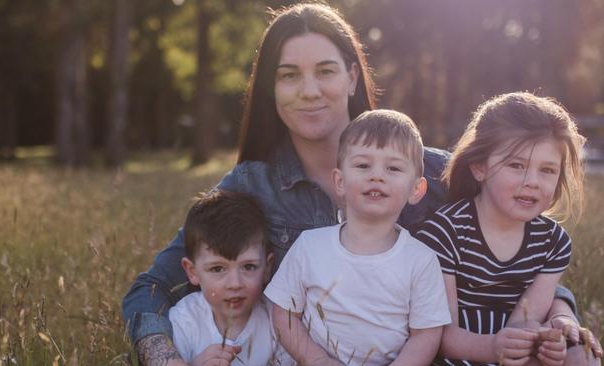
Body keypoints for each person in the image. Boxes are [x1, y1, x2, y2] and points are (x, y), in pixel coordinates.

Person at [121, 4, 598, 365]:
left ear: (352, 76)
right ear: (272, 90)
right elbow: (150, 289)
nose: (309, 90)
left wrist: (560, 313)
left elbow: (520, 244)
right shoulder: (252, 186)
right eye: (289, 76)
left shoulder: (434, 173)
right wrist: (167, 359)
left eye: (325, 71)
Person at [415, 92, 602, 366]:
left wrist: (549, 338)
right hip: (460, 353)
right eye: (516, 165)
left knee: (583, 356)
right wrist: (493, 347)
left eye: (547, 170)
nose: (532, 182)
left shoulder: (553, 242)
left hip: (513, 354)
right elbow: (439, 336)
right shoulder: (446, 232)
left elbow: (525, 323)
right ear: (480, 167)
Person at [265, 110, 451, 365]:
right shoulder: (310, 246)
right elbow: (284, 313)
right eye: (363, 165)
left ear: (416, 189)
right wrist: (317, 360)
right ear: (339, 181)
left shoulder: (421, 260)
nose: (377, 175)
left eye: (393, 168)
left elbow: (426, 335)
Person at [166, 190, 292, 366]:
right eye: (217, 268)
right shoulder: (184, 321)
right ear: (192, 272)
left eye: (249, 267)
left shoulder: (277, 321)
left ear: (267, 268)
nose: (235, 284)